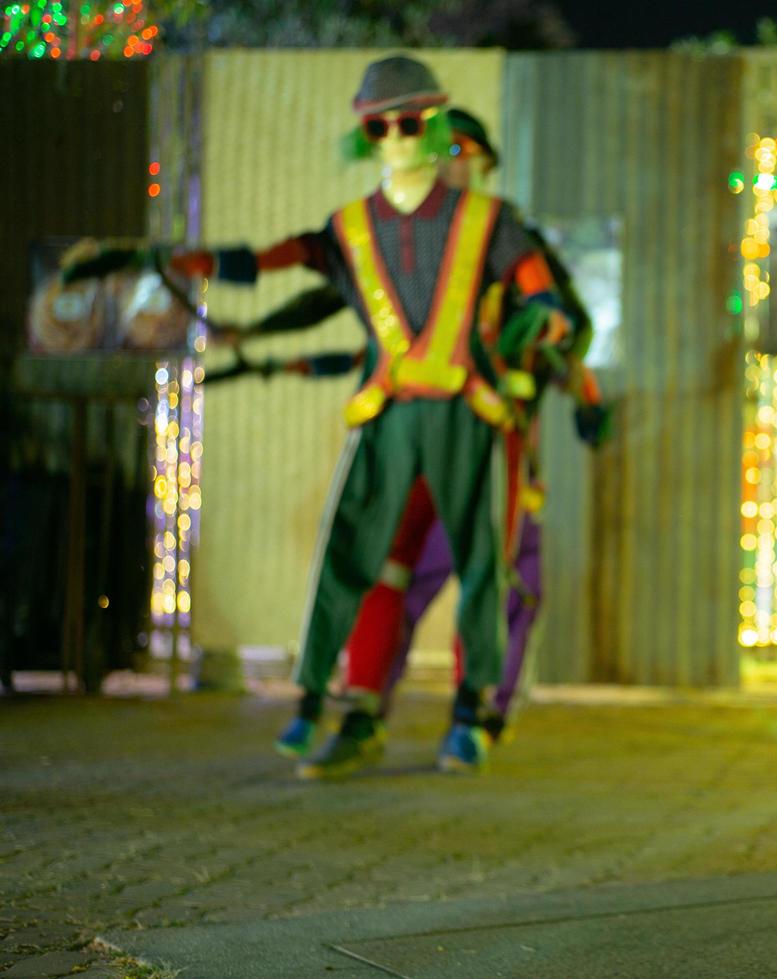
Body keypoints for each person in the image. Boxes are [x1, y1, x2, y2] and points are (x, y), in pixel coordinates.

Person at [159, 56, 582, 778]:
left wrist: (542, 358)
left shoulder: (502, 236)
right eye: (382, 127)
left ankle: (476, 714)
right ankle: (357, 714)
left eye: (444, 143)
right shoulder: (369, 235)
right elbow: (319, 289)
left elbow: (564, 324)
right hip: (398, 421)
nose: (419, 151)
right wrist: (253, 331)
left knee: (500, 575)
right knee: (379, 571)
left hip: (487, 438)